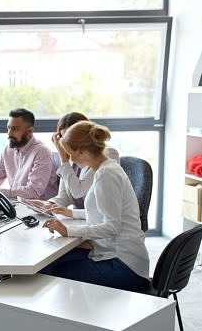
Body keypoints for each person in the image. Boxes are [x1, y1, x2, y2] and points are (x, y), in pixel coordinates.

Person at [40, 121, 149, 292]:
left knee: (49, 272)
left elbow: (112, 227)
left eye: (70, 154)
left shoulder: (106, 175)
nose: (72, 160)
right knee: (51, 262)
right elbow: (104, 211)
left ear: (82, 151)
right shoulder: (106, 169)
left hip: (125, 266)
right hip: (117, 256)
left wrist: (68, 231)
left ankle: (69, 317)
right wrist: (72, 213)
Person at [34, 112, 119, 210]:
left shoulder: (106, 154)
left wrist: (63, 160)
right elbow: (64, 196)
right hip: (79, 216)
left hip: (95, 217)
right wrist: (49, 204)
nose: (66, 145)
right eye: (63, 140)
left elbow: (78, 192)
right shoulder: (70, 158)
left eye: (69, 139)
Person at [0, 108, 58, 200]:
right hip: (19, 206)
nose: (9, 133)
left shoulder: (42, 152)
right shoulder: (8, 150)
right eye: (8, 128)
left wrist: (0, 192)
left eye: (15, 129)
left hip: (40, 209)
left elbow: (33, 192)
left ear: (30, 131)